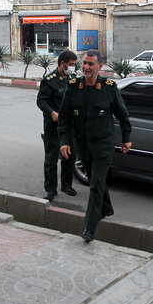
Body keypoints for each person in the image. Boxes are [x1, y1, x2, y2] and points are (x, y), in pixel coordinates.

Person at [58, 49, 132, 243]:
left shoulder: (109, 87)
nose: (86, 67)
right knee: (94, 179)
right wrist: (65, 141)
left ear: (100, 66)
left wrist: (126, 138)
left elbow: (123, 115)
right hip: (83, 145)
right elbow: (64, 118)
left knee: (96, 182)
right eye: (84, 63)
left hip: (103, 144)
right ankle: (106, 208)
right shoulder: (73, 86)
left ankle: (89, 228)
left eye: (91, 64)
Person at [36, 50, 78, 201]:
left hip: (69, 125)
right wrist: (52, 113)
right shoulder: (49, 80)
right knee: (51, 158)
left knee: (69, 156)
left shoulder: (72, 77)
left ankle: (66, 185)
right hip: (53, 126)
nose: (73, 67)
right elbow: (41, 101)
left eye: (74, 64)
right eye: (71, 64)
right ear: (63, 63)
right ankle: (50, 189)